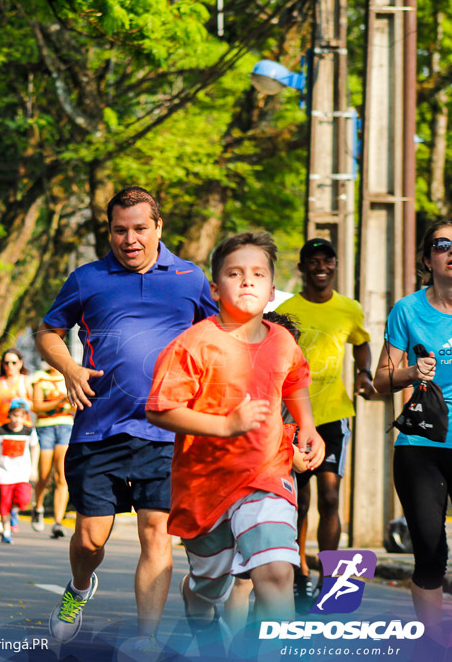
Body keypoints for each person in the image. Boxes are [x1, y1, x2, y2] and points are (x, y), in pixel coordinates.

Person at [37, 186, 217, 648]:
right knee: (91, 539)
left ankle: (144, 641)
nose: (130, 239)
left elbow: (220, 339)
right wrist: (70, 367)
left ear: (158, 227)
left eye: (140, 228)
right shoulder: (87, 278)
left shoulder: (190, 278)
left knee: (157, 532)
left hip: (166, 430)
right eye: (120, 230)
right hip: (99, 427)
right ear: (110, 232)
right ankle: (79, 587)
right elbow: (49, 332)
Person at [146, 231, 325, 645]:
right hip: (205, 489)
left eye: (258, 274)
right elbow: (158, 408)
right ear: (214, 287)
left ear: (272, 289)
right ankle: (196, 599)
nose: (247, 281)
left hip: (266, 475)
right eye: (235, 273)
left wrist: (309, 426)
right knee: (210, 587)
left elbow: (297, 378)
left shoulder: (282, 340)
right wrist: (226, 426)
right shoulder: (194, 344)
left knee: (278, 572)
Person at [276, 238, 373, 608]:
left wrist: (364, 372)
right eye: (313, 261)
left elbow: (361, 341)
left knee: (330, 496)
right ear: (302, 268)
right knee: (298, 501)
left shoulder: (349, 309)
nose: (321, 266)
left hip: (334, 416)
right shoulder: (288, 308)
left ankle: (329, 579)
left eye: (327, 260)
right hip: (293, 417)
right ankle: (299, 569)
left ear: (335, 265)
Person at [373, 220, 452, 634]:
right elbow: (380, 379)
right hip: (422, 444)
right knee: (430, 553)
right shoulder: (408, 310)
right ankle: (433, 645)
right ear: (428, 259)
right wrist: (409, 372)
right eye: (443, 245)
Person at [0, 398, 40, 545]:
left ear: (26, 417)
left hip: (22, 473)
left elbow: (35, 447)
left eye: (21, 416)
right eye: (15, 415)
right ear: (9, 415)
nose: (17, 419)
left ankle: (15, 511)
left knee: (24, 499)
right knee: (3, 504)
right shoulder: (0, 430)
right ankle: (6, 531)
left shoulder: (29, 431)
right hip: (3, 474)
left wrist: (34, 468)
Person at [31, 362, 73, 538]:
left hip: (66, 425)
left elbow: (75, 407)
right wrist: (61, 400)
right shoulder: (40, 377)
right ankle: (38, 506)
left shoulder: (69, 376)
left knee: (61, 475)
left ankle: (58, 521)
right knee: (44, 474)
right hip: (46, 427)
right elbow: (37, 406)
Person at [0, 349, 31, 426]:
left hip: (21, 426)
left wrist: (24, 398)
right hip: (0, 425)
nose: (10, 366)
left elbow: (34, 407)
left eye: (14, 363)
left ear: (20, 363)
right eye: (6, 363)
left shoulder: (25, 381)